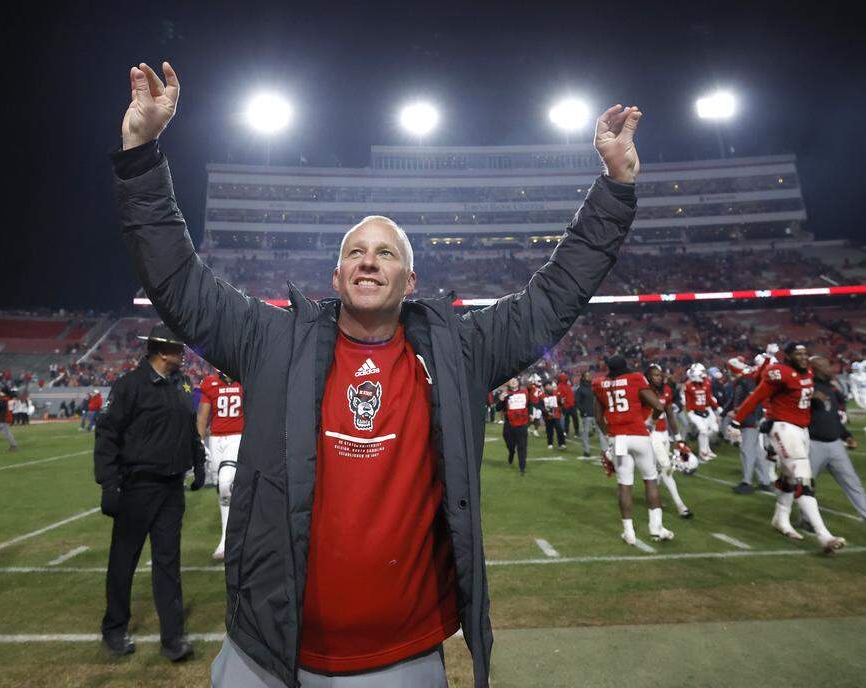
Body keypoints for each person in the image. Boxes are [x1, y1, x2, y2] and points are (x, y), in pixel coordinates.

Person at [113, 60, 641, 688]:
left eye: (385, 252)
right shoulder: (271, 340)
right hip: (269, 652)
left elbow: (554, 296)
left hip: (405, 656)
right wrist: (142, 154)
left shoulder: (460, 351)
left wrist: (614, 187)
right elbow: (178, 283)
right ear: (335, 279)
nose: (368, 262)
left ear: (409, 281)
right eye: (354, 253)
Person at [93, 323, 202, 663]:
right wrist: (109, 484)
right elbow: (107, 434)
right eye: (179, 348)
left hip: (172, 488)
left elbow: (189, 429)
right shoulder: (130, 386)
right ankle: (114, 628)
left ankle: (173, 638)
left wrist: (198, 465)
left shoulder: (181, 383)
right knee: (124, 559)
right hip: (137, 485)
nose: (183, 354)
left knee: (168, 561)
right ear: (162, 351)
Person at [730, 342, 845, 554]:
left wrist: (814, 397)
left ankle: (781, 518)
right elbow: (757, 396)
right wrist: (737, 421)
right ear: (789, 356)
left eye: (805, 354)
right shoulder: (779, 373)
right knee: (803, 479)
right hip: (784, 428)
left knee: (789, 478)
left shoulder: (809, 372)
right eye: (797, 354)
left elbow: (803, 393)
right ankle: (824, 535)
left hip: (801, 429)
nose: (802, 357)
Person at [806, 356, 866, 547]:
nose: (830, 367)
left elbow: (833, 416)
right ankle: (805, 518)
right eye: (825, 364)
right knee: (806, 485)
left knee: (854, 485)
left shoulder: (831, 388)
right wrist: (808, 396)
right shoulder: (805, 386)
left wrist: (846, 435)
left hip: (835, 443)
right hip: (812, 443)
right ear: (814, 368)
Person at [593, 356, 674, 545]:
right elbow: (658, 406)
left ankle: (628, 533)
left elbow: (598, 417)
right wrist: (651, 423)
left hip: (618, 438)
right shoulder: (635, 378)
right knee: (650, 480)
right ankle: (656, 528)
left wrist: (608, 436)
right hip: (638, 435)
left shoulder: (600, 384)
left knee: (624, 484)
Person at [196, 369, 244, 561]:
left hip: (237, 437)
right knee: (224, 489)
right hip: (217, 440)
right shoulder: (210, 383)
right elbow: (202, 417)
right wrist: (199, 442)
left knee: (225, 483)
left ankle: (227, 538)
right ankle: (228, 537)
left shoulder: (244, 380)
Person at [645, 364, 692, 519]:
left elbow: (670, 415)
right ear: (649, 377)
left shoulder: (666, 390)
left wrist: (678, 438)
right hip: (651, 435)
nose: (659, 377)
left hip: (664, 434)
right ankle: (681, 506)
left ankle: (652, 497)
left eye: (660, 374)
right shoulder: (643, 391)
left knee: (659, 470)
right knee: (667, 468)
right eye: (655, 375)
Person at [726, 357, 772, 494]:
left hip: (749, 419)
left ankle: (747, 482)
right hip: (754, 418)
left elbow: (750, 400)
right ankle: (765, 481)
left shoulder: (745, 381)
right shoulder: (748, 379)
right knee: (757, 451)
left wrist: (737, 412)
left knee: (747, 450)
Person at [683, 363, 718, 461]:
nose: (704, 374)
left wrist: (716, 407)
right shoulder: (689, 385)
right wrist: (689, 412)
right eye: (702, 372)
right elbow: (688, 401)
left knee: (713, 430)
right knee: (703, 431)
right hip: (695, 412)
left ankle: (707, 449)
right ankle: (703, 452)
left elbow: (709, 397)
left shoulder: (706, 382)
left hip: (706, 409)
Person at [497, 378, 532, 474]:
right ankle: (511, 452)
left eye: (515, 380)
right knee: (510, 444)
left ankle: (522, 467)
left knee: (522, 446)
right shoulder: (505, 394)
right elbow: (497, 408)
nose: (513, 381)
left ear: (518, 382)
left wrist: (531, 413)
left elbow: (529, 404)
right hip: (509, 424)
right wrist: (501, 400)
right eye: (511, 380)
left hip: (522, 424)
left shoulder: (525, 392)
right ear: (508, 383)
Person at [575, 370, 605, 457]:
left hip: (597, 413)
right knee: (585, 433)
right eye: (587, 376)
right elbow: (577, 402)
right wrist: (583, 411)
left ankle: (604, 450)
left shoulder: (594, 387)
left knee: (602, 432)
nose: (589, 377)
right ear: (583, 377)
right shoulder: (580, 389)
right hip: (586, 415)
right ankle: (586, 451)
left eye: (590, 375)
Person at [541, 381, 566, 450]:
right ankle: (550, 443)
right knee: (549, 430)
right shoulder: (542, 395)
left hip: (556, 415)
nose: (549, 387)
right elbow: (541, 406)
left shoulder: (556, 393)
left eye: (550, 385)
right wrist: (546, 412)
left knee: (559, 429)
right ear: (544, 387)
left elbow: (560, 403)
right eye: (547, 386)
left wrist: (561, 402)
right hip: (547, 416)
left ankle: (562, 443)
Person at [558, 372, 580, 438]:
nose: (566, 378)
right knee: (566, 420)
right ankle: (566, 432)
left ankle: (576, 431)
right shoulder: (559, 386)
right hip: (566, 406)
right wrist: (563, 404)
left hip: (572, 405)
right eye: (565, 377)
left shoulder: (568, 385)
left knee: (575, 418)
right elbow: (560, 397)